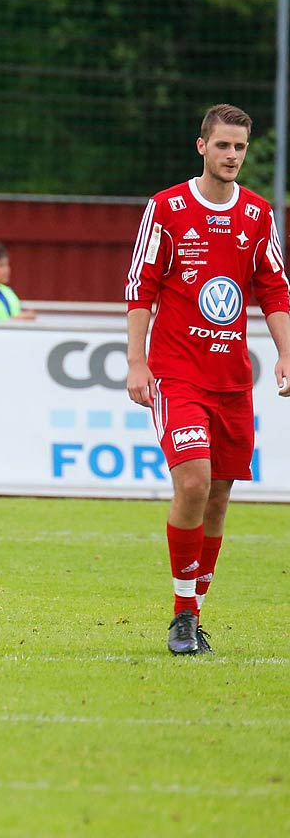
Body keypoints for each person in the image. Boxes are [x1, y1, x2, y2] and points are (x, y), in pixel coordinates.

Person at [125, 104, 290, 655]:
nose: (231, 156)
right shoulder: (167, 208)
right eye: (222, 145)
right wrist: (136, 362)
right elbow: (140, 290)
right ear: (202, 146)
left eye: (240, 148)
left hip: (232, 379)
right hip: (176, 374)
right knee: (192, 483)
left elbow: (274, 290)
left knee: (218, 497)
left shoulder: (259, 214)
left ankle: (194, 613)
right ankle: (180, 614)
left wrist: (285, 353)